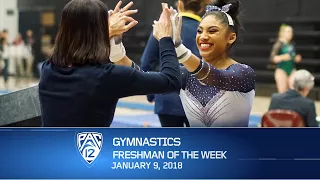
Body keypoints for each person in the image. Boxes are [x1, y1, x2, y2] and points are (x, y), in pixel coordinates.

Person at [38, 0, 181, 127]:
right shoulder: (107, 76)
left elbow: (83, 50)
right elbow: (171, 80)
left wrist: (107, 35)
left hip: (51, 153)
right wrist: (165, 37)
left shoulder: (48, 68)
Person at [122, 0, 256, 127]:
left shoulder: (243, 73)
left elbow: (217, 78)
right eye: (200, 31)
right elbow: (141, 76)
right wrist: (115, 47)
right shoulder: (185, 75)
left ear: (231, 37)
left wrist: (178, 48)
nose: (203, 36)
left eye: (212, 31)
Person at [141, 0, 209, 127]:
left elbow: (147, 62)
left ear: (180, 4)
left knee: (173, 144)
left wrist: (151, 93)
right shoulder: (207, 31)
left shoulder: (165, 27)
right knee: (197, 145)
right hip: (199, 100)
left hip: (167, 97)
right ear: (201, 8)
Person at [270, 24, 302, 93]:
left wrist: (296, 58)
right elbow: (272, 58)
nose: (291, 34)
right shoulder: (278, 44)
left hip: (292, 69)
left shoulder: (291, 45)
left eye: (291, 32)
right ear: (282, 33)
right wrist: (282, 57)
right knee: (283, 93)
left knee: (294, 91)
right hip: (282, 70)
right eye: (288, 31)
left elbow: (292, 56)